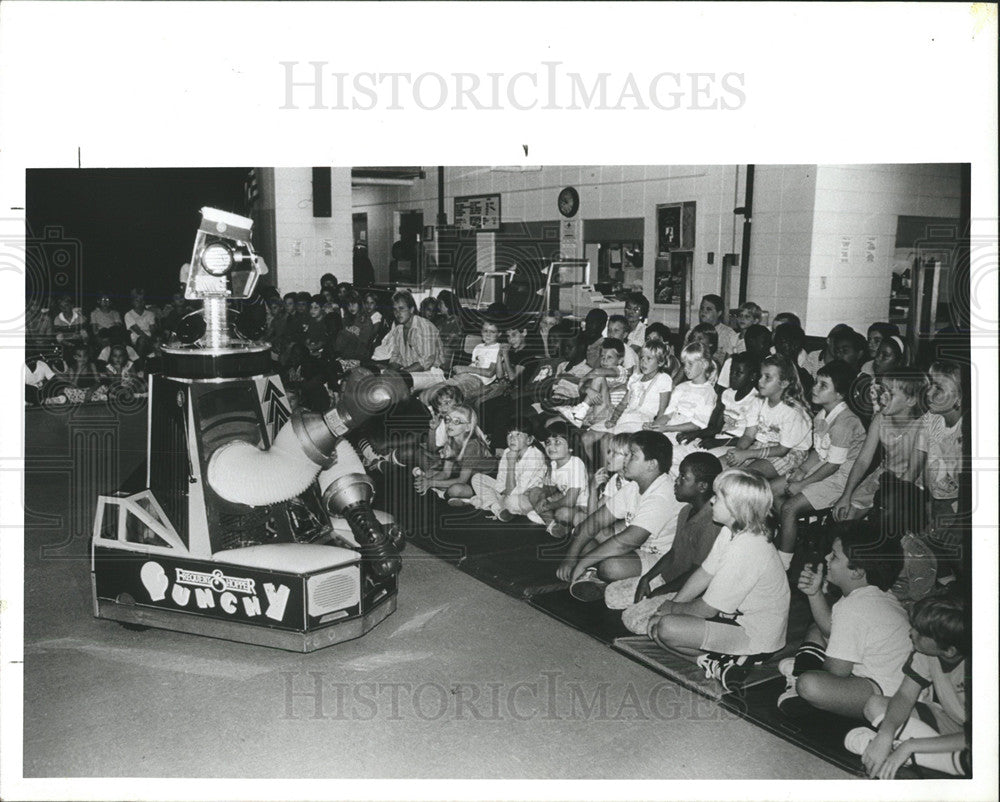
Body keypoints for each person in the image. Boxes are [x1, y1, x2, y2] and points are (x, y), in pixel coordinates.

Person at [645, 469, 790, 689]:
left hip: (755, 635)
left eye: (719, 497)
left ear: (736, 508)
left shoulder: (748, 547)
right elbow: (705, 573)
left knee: (666, 629)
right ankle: (715, 662)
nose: (712, 501)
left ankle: (741, 658)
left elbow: (706, 609)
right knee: (656, 629)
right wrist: (674, 603)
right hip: (734, 620)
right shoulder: (731, 531)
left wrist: (672, 609)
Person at [778, 520, 910, 721]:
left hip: (885, 693)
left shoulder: (855, 608)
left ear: (856, 571)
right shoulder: (874, 595)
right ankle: (800, 672)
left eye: (835, 556)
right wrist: (814, 594)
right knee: (816, 629)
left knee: (809, 684)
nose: (826, 558)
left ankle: (798, 680)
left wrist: (814, 672)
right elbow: (831, 631)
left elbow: (836, 671)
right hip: (882, 681)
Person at [844, 594, 970, 779]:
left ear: (949, 650)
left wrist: (909, 746)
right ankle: (929, 761)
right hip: (954, 726)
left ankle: (912, 758)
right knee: (875, 705)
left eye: (920, 632)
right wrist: (885, 736)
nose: (912, 633)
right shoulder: (925, 652)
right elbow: (904, 695)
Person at [558, 431, 682, 601]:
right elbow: (594, 521)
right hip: (635, 551)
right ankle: (598, 577)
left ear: (651, 464)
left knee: (611, 567)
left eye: (632, 455)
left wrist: (582, 562)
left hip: (659, 559)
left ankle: (607, 578)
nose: (626, 459)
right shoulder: (633, 487)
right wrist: (570, 558)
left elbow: (628, 541)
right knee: (585, 539)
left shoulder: (662, 494)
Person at [608, 452, 724, 633]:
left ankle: (682, 617)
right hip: (667, 579)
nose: (676, 482)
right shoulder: (686, 511)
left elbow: (697, 573)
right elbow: (673, 553)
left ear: (702, 486)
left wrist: (660, 592)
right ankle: (651, 607)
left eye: (684, 478)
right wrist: (648, 578)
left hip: (687, 590)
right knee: (612, 596)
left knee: (632, 620)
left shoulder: (711, 522)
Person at [771, 360, 867, 570]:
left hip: (841, 477)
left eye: (823, 385)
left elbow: (833, 465)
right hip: (823, 468)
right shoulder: (822, 414)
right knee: (768, 491)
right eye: (816, 382)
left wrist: (803, 483)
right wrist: (801, 470)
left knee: (789, 507)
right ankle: (792, 532)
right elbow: (819, 451)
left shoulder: (844, 422)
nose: (814, 388)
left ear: (840, 394)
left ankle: (783, 562)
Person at [832, 367, 930, 531]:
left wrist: (880, 504)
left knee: (885, 521)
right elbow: (863, 460)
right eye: (881, 390)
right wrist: (846, 495)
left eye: (890, 393)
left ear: (911, 400)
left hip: (911, 484)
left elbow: (912, 473)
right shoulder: (880, 419)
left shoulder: (923, 426)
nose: (881, 396)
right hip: (884, 475)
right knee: (845, 515)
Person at [724, 355, 813, 479]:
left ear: (784, 383)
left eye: (767, 377)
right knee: (720, 466)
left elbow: (782, 450)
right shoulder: (758, 401)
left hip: (790, 452)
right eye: (761, 376)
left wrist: (746, 454)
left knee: (743, 476)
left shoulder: (792, 412)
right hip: (762, 445)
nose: (760, 381)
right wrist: (738, 451)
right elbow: (749, 435)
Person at [677, 351, 761, 453]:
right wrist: (695, 434)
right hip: (718, 439)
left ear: (752, 376)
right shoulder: (727, 394)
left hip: (735, 446)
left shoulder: (756, 401)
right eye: (731, 371)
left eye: (738, 373)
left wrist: (717, 443)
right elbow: (715, 427)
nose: (732, 376)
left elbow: (752, 439)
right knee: (679, 450)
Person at [465, 417, 547, 520]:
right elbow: (500, 481)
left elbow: (516, 492)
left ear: (529, 440)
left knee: (512, 502)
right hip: (508, 490)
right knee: (477, 478)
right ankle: (498, 508)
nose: (512, 438)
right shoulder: (507, 451)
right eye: (509, 434)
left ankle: (489, 503)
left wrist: (511, 463)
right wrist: (504, 493)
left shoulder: (535, 456)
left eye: (518, 434)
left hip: (527, 496)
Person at [413, 403, 495, 501]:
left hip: (486, 480)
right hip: (468, 477)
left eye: (456, 421)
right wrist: (427, 480)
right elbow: (446, 473)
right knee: (429, 474)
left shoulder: (472, 446)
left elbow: (462, 480)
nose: (450, 424)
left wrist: (430, 483)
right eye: (448, 420)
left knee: (455, 490)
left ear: (468, 427)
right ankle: (446, 492)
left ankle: (466, 498)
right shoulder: (451, 440)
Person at [644, 342, 717, 444]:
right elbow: (667, 415)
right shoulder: (681, 387)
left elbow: (696, 425)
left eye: (690, 364)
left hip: (686, 436)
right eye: (684, 364)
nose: (685, 368)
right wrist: (654, 426)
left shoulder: (708, 393)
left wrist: (667, 428)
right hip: (669, 429)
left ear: (704, 365)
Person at [526, 421, 589, 537]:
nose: (551, 447)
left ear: (570, 447)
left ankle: (548, 517)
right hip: (564, 500)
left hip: (583, 507)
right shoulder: (554, 464)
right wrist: (543, 499)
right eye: (548, 442)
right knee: (534, 492)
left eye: (557, 442)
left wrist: (547, 506)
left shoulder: (576, 463)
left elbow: (571, 500)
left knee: (563, 513)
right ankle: (552, 525)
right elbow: (549, 489)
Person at [381, 290, 446, 393]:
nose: (398, 313)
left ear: (411, 309)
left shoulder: (425, 326)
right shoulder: (398, 330)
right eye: (395, 310)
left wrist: (400, 373)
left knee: (398, 381)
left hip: (433, 373)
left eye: (401, 309)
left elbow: (426, 361)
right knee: (378, 377)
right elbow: (396, 357)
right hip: (410, 373)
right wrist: (388, 372)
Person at [698, 294, 739, 363]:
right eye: (702, 308)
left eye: (709, 309)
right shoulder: (693, 332)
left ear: (719, 313)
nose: (703, 312)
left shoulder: (729, 334)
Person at [124, 288, 157, 357]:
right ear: (132, 302)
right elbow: (137, 330)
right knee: (142, 340)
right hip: (137, 337)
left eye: (141, 300)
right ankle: (139, 365)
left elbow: (152, 329)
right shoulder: (128, 314)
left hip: (149, 336)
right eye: (137, 301)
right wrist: (150, 341)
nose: (140, 302)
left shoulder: (150, 314)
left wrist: (153, 339)